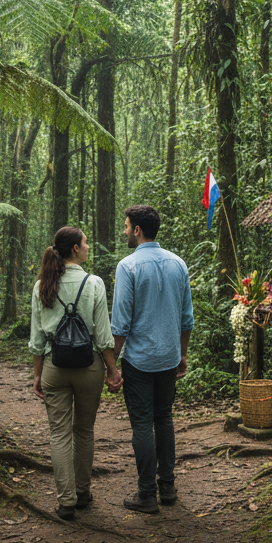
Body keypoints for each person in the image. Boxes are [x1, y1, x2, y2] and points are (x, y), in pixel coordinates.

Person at [29, 226, 119, 520]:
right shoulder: (94, 283)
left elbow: (37, 340)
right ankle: (83, 493)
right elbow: (104, 337)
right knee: (84, 430)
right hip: (89, 366)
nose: (88, 246)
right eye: (85, 242)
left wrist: (38, 375)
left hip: (55, 366)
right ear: (75, 249)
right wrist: (112, 371)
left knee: (59, 434)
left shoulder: (42, 285)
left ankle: (65, 501)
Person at [109, 205, 193, 514]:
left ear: (137, 231)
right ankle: (167, 487)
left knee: (142, 424)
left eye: (127, 226)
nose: (125, 231)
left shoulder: (128, 266)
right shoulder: (178, 264)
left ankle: (147, 494)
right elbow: (187, 319)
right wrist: (182, 353)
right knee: (164, 418)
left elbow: (120, 325)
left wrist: (112, 366)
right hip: (169, 358)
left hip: (140, 360)